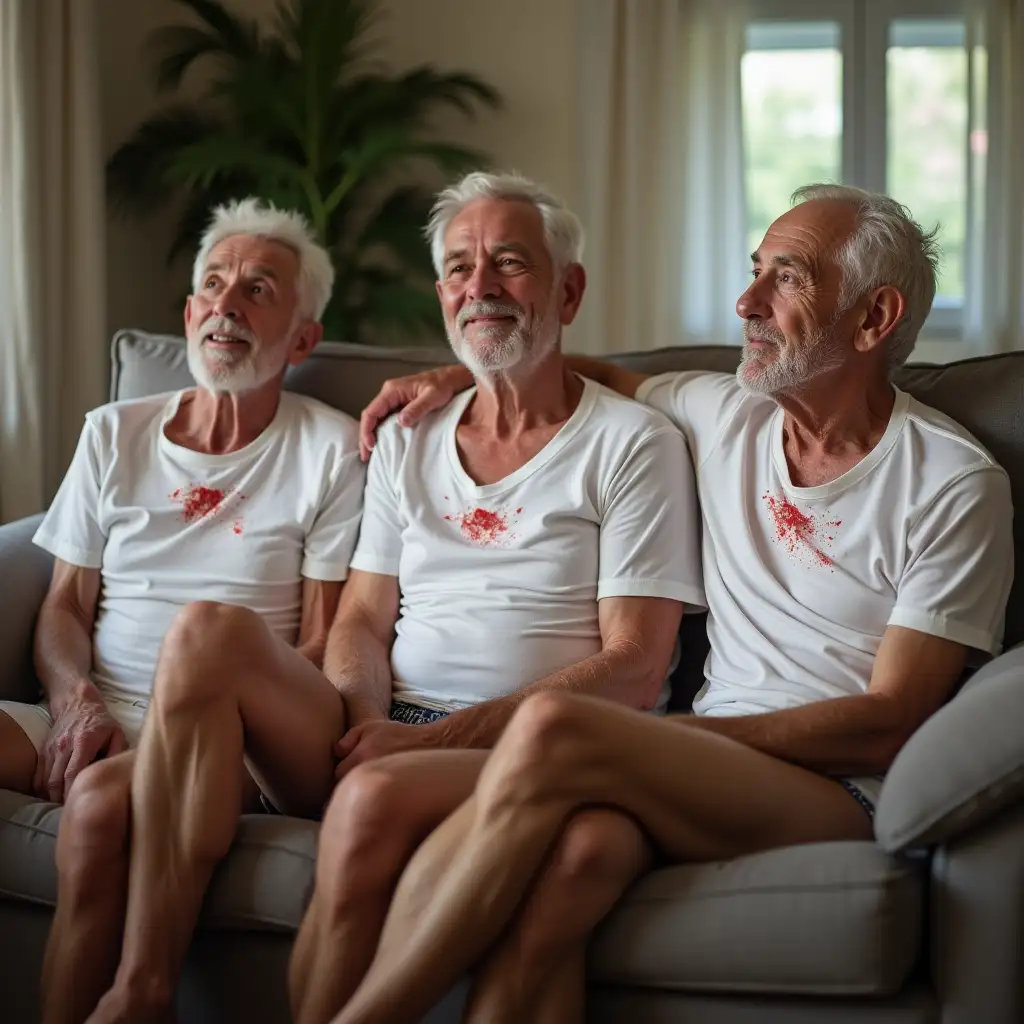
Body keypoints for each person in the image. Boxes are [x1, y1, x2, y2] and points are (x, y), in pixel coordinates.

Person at [332, 183, 1016, 1024]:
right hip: (696, 766)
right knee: (576, 862)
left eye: (787, 279)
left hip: (841, 788)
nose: (746, 302)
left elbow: (893, 717)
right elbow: (579, 371)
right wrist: (455, 369)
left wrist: (679, 740)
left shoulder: (953, 483)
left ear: (874, 320)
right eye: (753, 271)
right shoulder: (727, 412)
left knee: (555, 725)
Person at [285, 171, 704, 1024]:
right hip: (401, 722)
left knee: (368, 805)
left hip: (549, 741)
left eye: (509, 263)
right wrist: (362, 721)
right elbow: (363, 619)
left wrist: (426, 743)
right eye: (458, 267)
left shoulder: (632, 443)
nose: (479, 286)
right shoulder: (408, 437)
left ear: (569, 289)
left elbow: (634, 666)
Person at [16, 197, 367, 1024]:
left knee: (101, 806)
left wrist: (197, 729)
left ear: (303, 339)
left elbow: (320, 639)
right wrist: (74, 701)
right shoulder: (113, 433)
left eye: (257, 290)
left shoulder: (329, 450)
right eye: (212, 285)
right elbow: (63, 606)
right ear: (187, 313)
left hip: (222, 728)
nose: (226, 305)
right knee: (95, 786)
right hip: (98, 702)